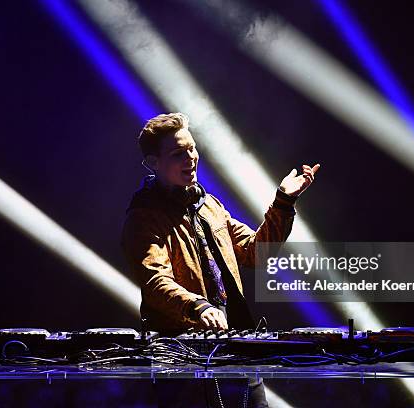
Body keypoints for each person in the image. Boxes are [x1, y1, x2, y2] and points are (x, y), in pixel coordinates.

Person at [121, 112, 319, 407]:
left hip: (236, 351)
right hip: (182, 359)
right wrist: (198, 306)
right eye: (178, 153)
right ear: (153, 163)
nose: (191, 158)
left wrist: (284, 202)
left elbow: (256, 252)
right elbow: (154, 280)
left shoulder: (210, 206)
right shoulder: (144, 218)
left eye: (192, 148)